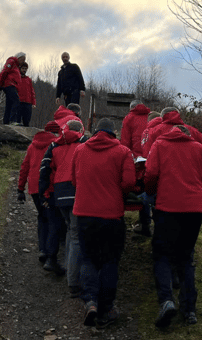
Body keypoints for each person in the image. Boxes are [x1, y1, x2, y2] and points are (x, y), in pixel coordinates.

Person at [144, 125, 202, 327]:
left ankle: (166, 300)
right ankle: (190, 310)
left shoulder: (160, 144)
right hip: (195, 208)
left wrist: (151, 192)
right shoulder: (199, 148)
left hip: (168, 206)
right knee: (186, 256)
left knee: (162, 254)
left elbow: (151, 174)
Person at [71, 118, 136, 328]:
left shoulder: (80, 150)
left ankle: (90, 301)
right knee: (109, 261)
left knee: (89, 258)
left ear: (95, 131)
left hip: (84, 213)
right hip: (111, 215)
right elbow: (129, 182)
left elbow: (74, 180)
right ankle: (106, 308)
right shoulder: (123, 152)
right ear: (113, 133)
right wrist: (117, 193)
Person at [39, 119, 87, 297]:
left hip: (59, 192)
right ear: (80, 130)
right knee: (76, 235)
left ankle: (68, 265)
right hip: (76, 190)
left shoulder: (55, 145)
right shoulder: (83, 143)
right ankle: (73, 279)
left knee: (69, 230)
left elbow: (44, 169)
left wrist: (45, 192)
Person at [143, 108, 202, 191]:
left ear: (161, 118)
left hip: (163, 184)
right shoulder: (191, 131)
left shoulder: (153, 132)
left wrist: (149, 187)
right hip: (192, 183)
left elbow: (148, 160)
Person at [18, 121, 61, 264]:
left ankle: (42, 249)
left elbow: (25, 167)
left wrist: (20, 188)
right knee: (52, 219)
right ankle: (50, 252)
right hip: (49, 187)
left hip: (34, 188)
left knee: (42, 217)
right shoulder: (56, 145)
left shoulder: (32, 146)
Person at [120, 100, 153, 235]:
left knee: (129, 187)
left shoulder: (129, 118)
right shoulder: (150, 116)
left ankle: (119, 221)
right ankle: (145, 224)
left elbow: (125, 141)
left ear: (131, 108)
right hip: (150, 158)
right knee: (147, 189)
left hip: (135, 160)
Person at [0, 52, 26, 125]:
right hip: (9, 85)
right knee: (16, 101)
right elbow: (4, 71)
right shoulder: (11, 61)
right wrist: (0, 84)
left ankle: (6, 121)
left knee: (9, 103)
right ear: (19, 58)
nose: (23, 62)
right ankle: (12, 120)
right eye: (23, 59)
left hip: (12, 85)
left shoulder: (16, 66)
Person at [16, 62, 36, 127]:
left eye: (25, 68)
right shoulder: (16, 78)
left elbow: (32, 91)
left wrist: (33, 103)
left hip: (28, 103)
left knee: (27, 122)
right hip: (19, 102)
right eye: (23, 68)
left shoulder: (28, 80)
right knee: (17, 121)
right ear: (20, 69)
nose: (24, 70)